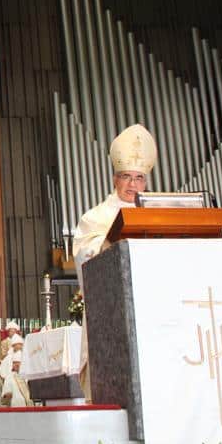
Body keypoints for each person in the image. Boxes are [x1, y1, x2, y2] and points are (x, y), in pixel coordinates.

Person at [72, 123, 157, 402]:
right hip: (111, 311)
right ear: (114, 179)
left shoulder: (157, 213)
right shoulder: (95, 217)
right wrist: (109, 242)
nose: (133, 185)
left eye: (139, 178)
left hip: (152, 311)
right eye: (126, 177)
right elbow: (85, 256)